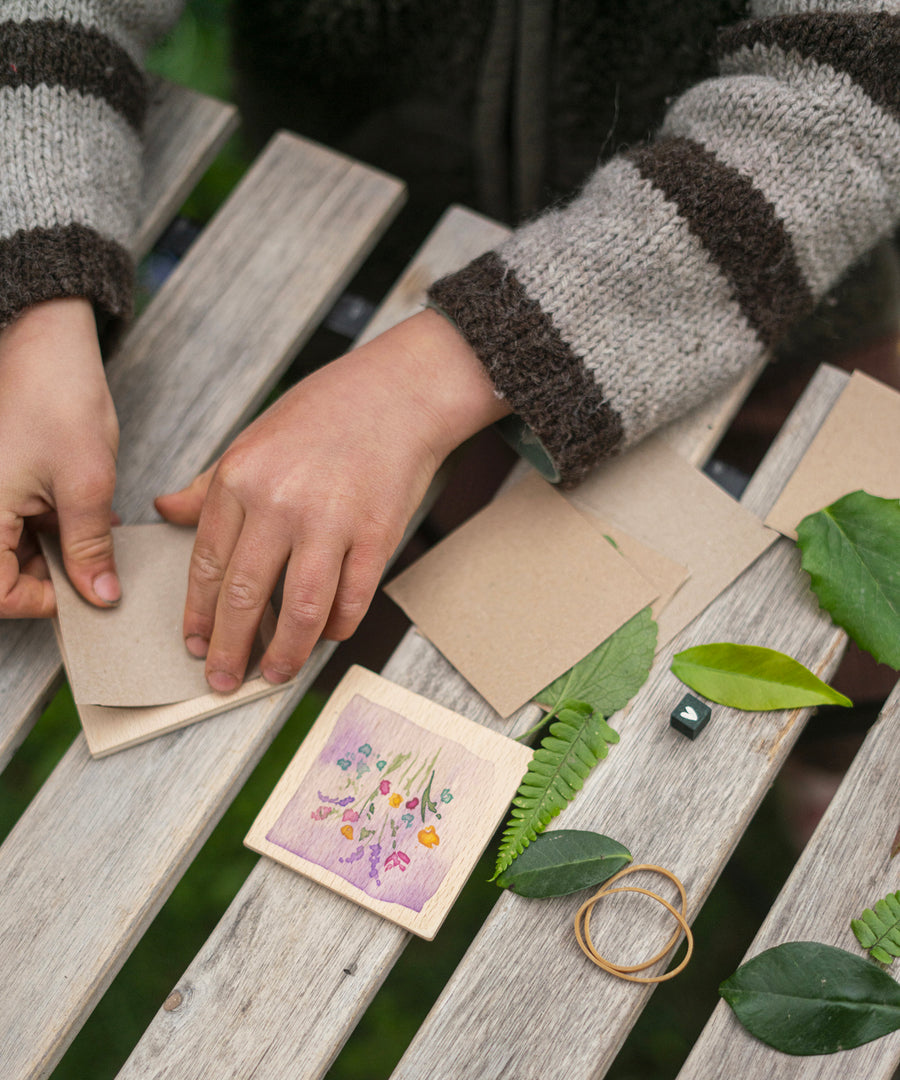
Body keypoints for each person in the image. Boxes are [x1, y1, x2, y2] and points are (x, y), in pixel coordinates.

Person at [2, 0, 898, 697]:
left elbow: (855, 93)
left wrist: (424, 381)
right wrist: (35, 294)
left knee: (827, 633)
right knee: (419, 662)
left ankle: (822, 755)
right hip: (364, 265)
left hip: (791, 308)